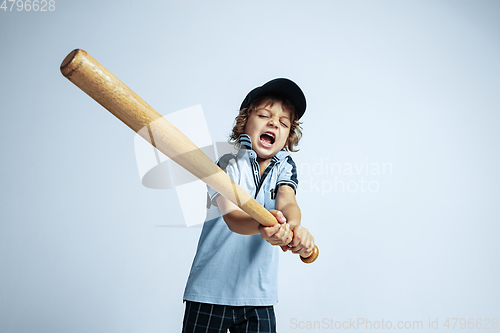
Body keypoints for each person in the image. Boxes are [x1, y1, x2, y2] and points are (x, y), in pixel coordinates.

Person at [182, 78, 315, 333]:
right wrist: (265, 225)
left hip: (258, 297)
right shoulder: (226, 164)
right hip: (210, 293)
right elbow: (233, 217)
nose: (274, 122)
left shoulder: (284, 166)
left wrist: (294, 228)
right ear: (244, 123)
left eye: (284, 123)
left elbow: (288, 201)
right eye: (265, 114)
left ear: (287, 137)